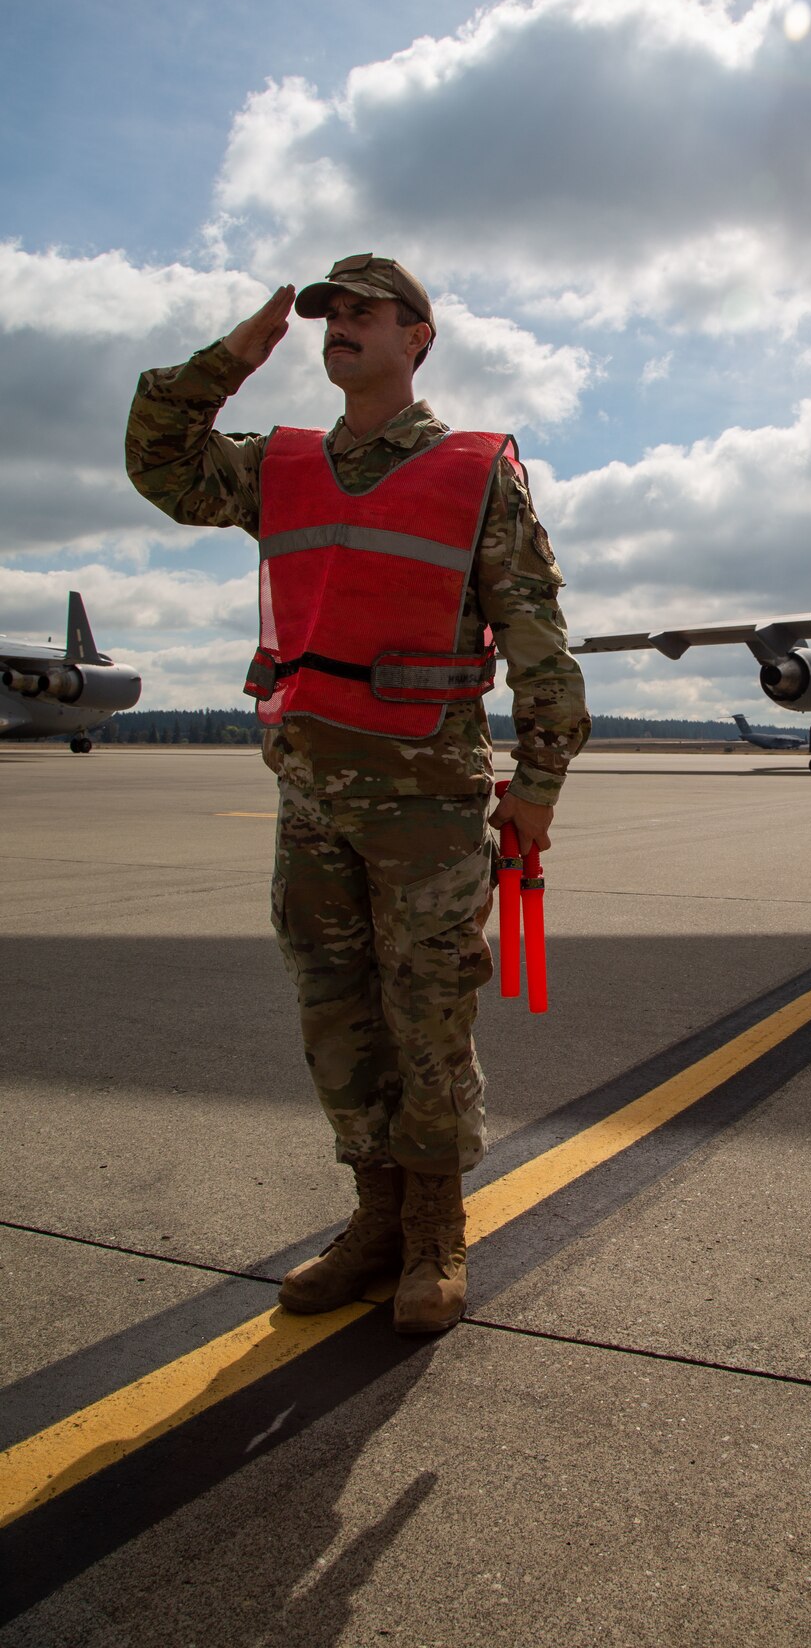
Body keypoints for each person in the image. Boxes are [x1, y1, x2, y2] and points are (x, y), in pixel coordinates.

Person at [125, 253, 589, 1335]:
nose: (341, 325)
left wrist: (538, 786)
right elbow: (159, 462)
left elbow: (541, 647)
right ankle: (373, 1214)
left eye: (365, 311)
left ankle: (434, 1226)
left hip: (427, 803)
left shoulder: (474, 471)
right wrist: (229, 360)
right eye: (328, 312)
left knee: (425, 1015)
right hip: (312, 799)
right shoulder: (277, 465)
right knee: (334, 1014)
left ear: (417, 337)